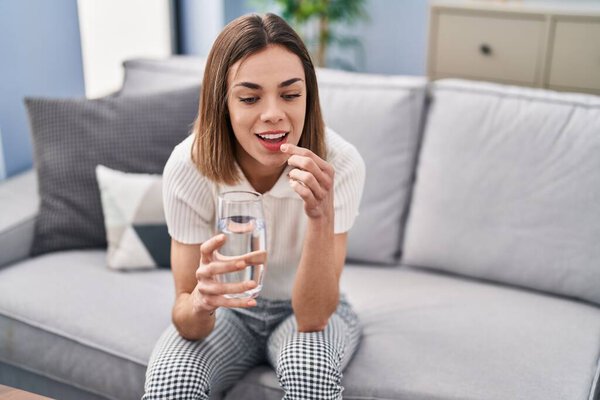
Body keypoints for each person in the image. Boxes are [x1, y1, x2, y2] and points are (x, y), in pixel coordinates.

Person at [143, 12, 365, 400]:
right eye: (249, 97)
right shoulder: (188, 167)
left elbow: (313, 317)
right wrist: (200, 301)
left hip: (308, 311)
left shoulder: (339, 164)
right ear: (222, 103)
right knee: (170, 381)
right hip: (229, 311)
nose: (274, 113)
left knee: (308, 371)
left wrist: (319, 214)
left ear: (308, 97)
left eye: (291, 94)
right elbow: (186, 321)